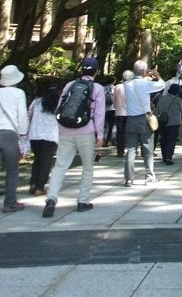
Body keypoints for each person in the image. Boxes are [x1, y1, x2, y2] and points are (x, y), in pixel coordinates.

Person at [43, 56, 105, 217]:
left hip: (65, 129)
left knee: (60, 166)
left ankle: (51, 199)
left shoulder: (70, 85)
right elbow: (99, 114)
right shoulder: (97, 88)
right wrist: (100, 135)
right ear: (96, 71)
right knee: (87, 167)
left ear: (81, 69)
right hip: (86, 130)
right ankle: (82, 201)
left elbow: (60, 107)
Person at [123, 60, 165, 187]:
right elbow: (162, 85)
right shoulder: (146, 84)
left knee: (131, 150)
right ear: (144, 71)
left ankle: (129, 179)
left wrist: (145, 75)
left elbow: (137, 79)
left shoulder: (126, 84)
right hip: (144, 120)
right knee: (147, 149)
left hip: (130, 120)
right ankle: (149, 177)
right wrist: (157, 76)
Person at [0, 64, 29, 213]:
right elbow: (22, 114)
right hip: (10, 134)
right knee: (12, 169)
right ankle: (10, 202)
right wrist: (23, 133)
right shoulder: (19, 93)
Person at [27, 84, 60, 196]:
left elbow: (29, 115)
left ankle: (33, 183)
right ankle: (39, 187)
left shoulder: (36, 102)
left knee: (37, 160)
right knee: (46, 162)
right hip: (50, 136)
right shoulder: (57, 103)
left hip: (34, 135)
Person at [156, 83, 182, 165]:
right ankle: (169, 157)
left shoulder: (162, 99)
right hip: (174, 123)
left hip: (162, 122)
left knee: (163, 140)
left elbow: (157, 111)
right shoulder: (178, 100)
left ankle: (164, 156)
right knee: (171, 140)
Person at [112, 71, 128, 157]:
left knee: (120, 133)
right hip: (129, 113)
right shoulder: (131, 87)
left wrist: (116, 106)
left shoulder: (117, 87)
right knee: (129, 132)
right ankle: (130, 149)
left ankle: (120, 151)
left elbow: (114, 100)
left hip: (119, 112)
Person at [103, 78, 116, 146]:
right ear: (114, 81)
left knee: (106, 125)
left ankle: (104, 140)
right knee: (114, 124)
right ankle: (113, 139)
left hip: (105, 109)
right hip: (113, 109)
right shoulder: (115, 88)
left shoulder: (103, 88)